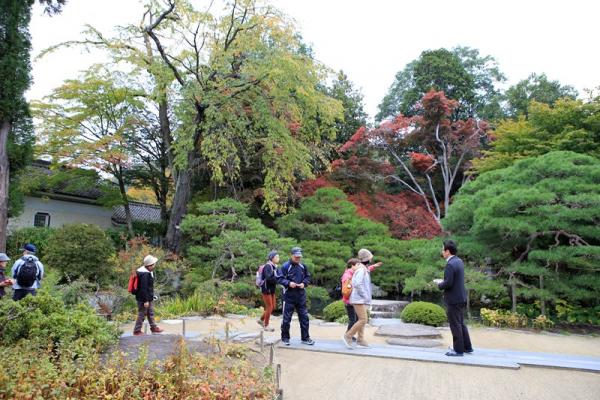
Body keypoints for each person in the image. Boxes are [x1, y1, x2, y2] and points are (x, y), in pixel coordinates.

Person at [433, 240, 473, 357]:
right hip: (461, 297)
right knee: (461, 323)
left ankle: (458, 350)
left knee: (455, 325)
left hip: (453, 299)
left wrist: (439, 284)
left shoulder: (450, 264)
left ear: (448, 251)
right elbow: (453, 280)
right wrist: (444, 282)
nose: (442, 252)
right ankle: (467, 347)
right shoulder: (459, 261)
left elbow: (448, 283)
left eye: (443, 250)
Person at [276, 247, 315, 346]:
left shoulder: (303, 266)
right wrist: (289, 283)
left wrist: (304, 283)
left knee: (304, 318)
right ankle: (285, 338)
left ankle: (305, 338)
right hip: (288, 296)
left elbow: (308, 277)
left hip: (301, 296)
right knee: (286, 318)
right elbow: (279, 279)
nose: (298, 258)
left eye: (299, 257)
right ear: (291, 255)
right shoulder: (285, 266)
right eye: (296, 257)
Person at [341, 249, 382, 340]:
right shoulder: (348, 274)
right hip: (350, 301)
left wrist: (374, 266)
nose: (358, 266)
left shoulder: (358, 270)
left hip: (354, 300)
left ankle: (356, 337)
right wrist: (365, 295)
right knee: (356, 320)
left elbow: (365, 269)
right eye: (357, 265)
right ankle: (348, 336)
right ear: (352, 266)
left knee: (358, 319)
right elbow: (352, 286)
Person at [342, 258, 372, 349]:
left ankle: (360, 340)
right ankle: (348, 336)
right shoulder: (361, 270)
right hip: (358, 299)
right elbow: (357, 284)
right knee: (363, 319)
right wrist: (365, 295)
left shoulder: (362, 270)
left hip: (359, 299)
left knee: (361, 319)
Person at [133, 255, 164, 336]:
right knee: (142, 314)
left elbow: (148, 287)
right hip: (143, 298)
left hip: (147, 297)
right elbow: (143, 289)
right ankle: (137, 331)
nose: (154, 265)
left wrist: (151, 296)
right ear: (149, 265)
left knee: (150, 313)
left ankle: (153, 328)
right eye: (153, 264)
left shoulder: (148, 271)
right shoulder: (144, 274)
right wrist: (146, 300)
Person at [258, 251, 279, 332]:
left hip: (271, 290)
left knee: (273, 306)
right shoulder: (268, 266)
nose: (278, 258)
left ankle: (261, 320)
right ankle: (266, 325)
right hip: (266, 289)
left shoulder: (274, 266)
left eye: (278, 257)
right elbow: (269, 278)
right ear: (272, 258)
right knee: (269, 307)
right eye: (276, 257)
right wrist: (278, 279)